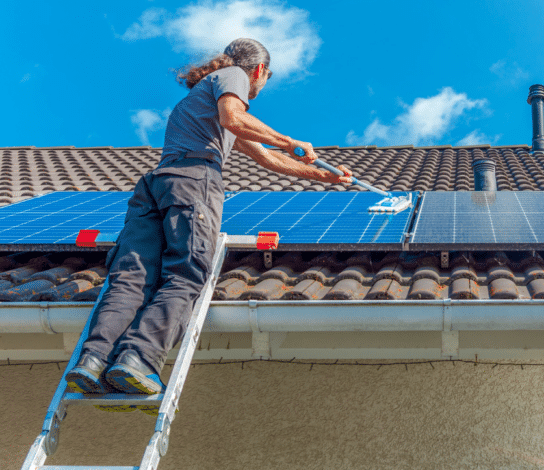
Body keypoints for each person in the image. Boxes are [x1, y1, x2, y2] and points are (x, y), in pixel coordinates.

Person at [66, 38, 352, 399]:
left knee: (132, 277)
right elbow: (236, 117)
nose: (259, 88)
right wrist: (290, 140)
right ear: (259, 71)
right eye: (263, 80)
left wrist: (326, 177)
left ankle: (93, 360)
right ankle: (138, 359)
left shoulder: (198, 100)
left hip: (155, 186)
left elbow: (265, 158)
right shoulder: (233, 76)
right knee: (186, 274)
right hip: (192, 182)